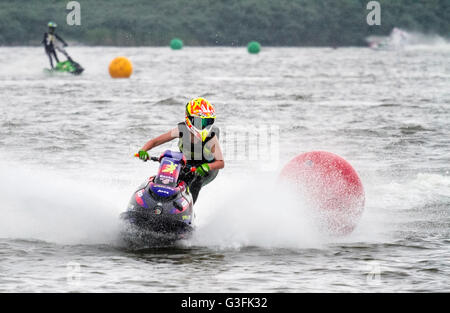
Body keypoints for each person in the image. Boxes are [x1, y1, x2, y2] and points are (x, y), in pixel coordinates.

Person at [138, 97, 225, 203]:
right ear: (190, 119)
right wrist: (143, 150)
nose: (203, 126)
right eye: (200, 122)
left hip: (208, 168)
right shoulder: (182, 130)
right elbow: (155, 141)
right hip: (188, 162)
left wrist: (206, 166)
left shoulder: (211, 137)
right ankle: (154, 201)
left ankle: (188, 208)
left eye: (207, 122)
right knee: (170, 176)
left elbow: (220, 163)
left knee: (196, 179)